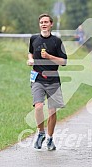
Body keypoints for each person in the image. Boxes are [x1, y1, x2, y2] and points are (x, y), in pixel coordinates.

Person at [27, 13, 67, 150]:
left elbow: (64, 62)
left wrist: (49, 56)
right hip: (37, 77)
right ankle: (41, 133)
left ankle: (50, 138)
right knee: (38, 106)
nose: (43, 24)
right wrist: (30, 59)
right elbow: (30, 52)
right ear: (39, 24)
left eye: (46, 22)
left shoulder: (57, 41)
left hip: (53, 78)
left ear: (51, 24)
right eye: (41, 22)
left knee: (52, 112)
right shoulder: (33, 39)